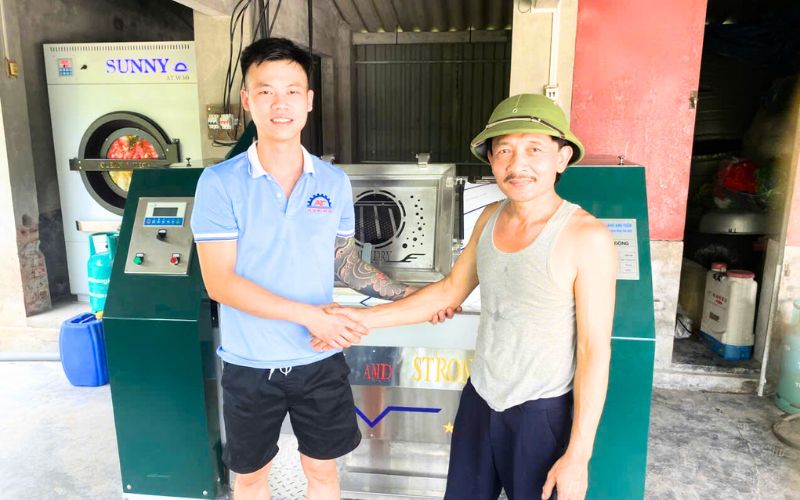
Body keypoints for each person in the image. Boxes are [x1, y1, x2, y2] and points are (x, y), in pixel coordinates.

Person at [318, 94, 617, 500]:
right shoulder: (490, 218)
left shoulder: (587, 237)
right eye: (504, 151)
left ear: (562, 158)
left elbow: (594, 351)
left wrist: (578, 455)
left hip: (541, 411)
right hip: (480, 398)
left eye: (534, 149)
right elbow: (448, 292)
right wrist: (356, 319)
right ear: (491, 160)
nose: (518, 164)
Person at [190, 37, 419, 500]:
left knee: (323, 473)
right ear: (247, 100)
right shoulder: (219, 183)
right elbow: (220, 282)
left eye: (292, 91)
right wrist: (311, 316)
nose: (281, 104)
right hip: (250, 364)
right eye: (267, 91)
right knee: (251, 478)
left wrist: (412, 299)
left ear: (309, 101)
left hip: (319, 359)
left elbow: (345, 263)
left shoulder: (332, 182)